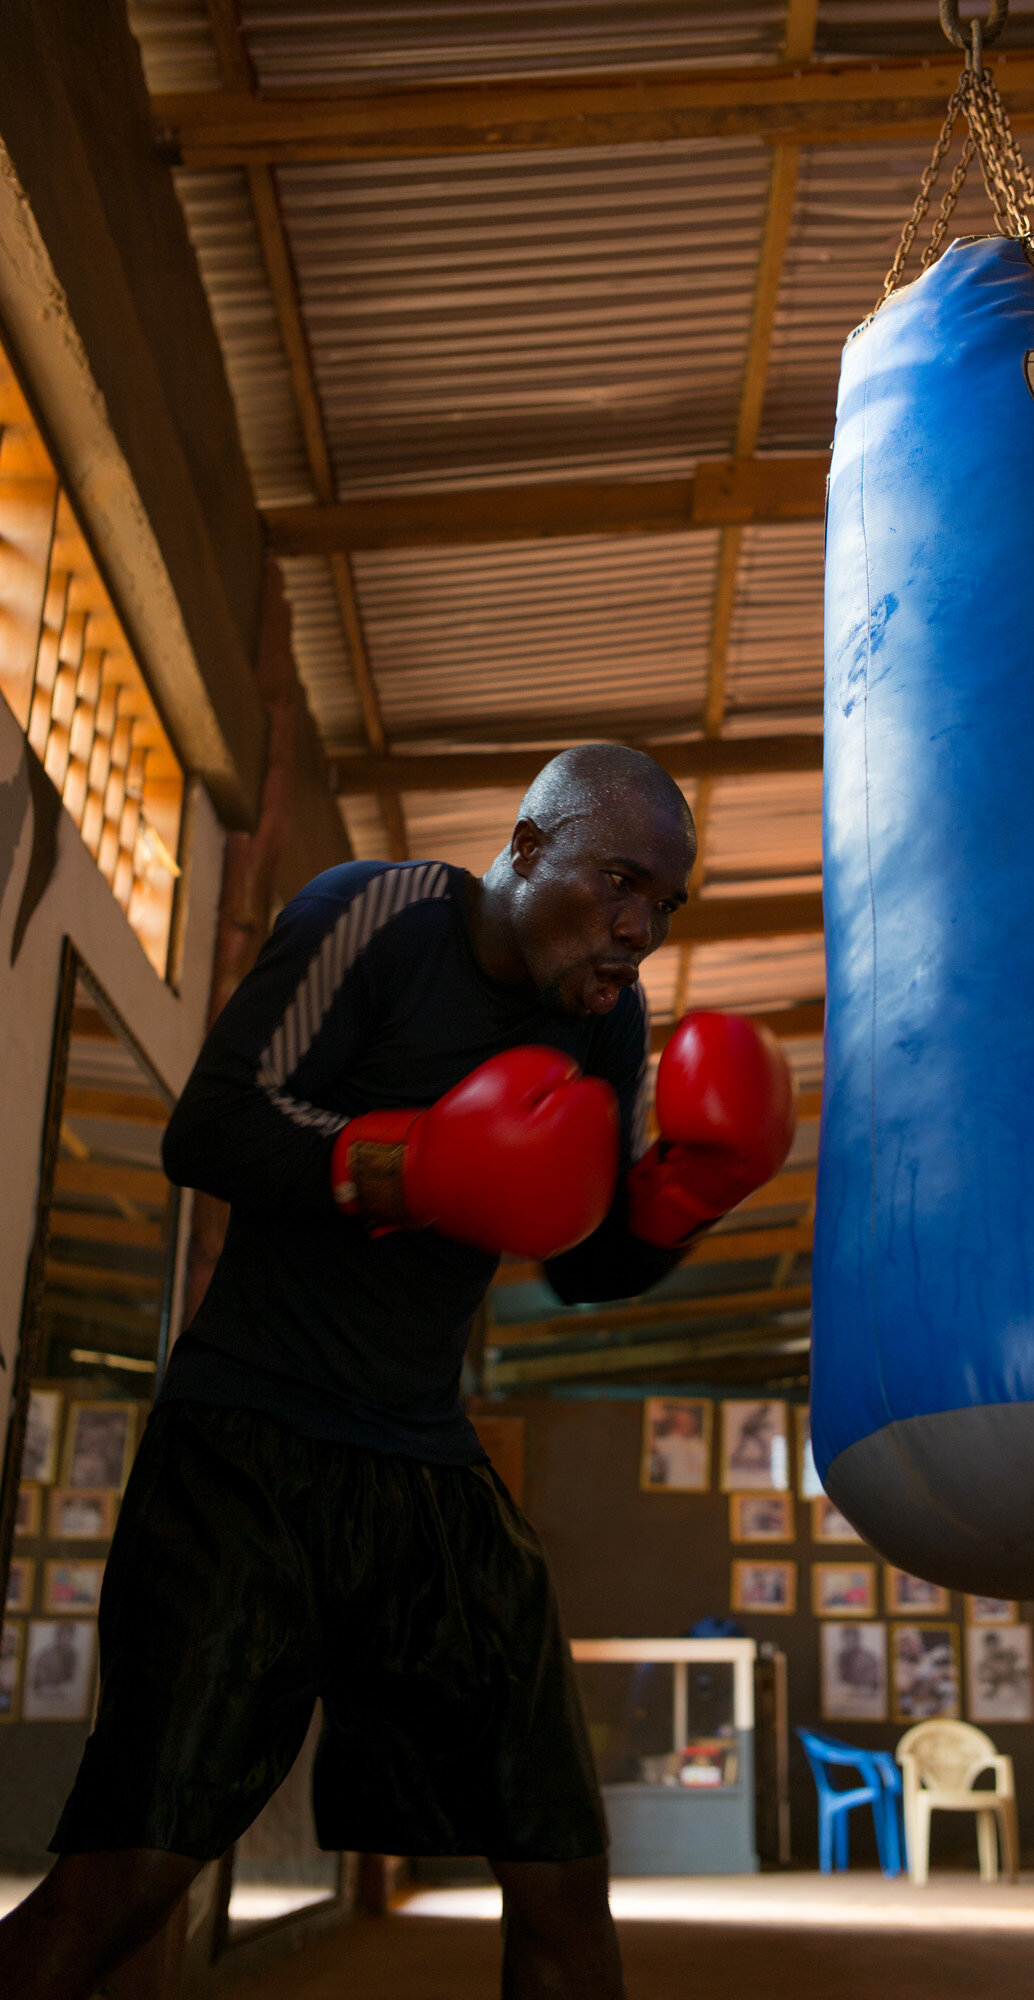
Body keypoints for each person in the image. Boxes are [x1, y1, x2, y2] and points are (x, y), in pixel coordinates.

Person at [0, 743, 794, 2000]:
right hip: (248, 1441)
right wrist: (410, 1164)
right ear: (530, 847)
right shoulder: (374, 915)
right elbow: (206, 1125)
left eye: (663, 907)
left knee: (559, 1878)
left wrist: (689, 1194)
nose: (638, 933)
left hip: (426, 1461)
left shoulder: (606, 1015)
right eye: (621, 884)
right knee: (132, 1874)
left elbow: (577, 1262)